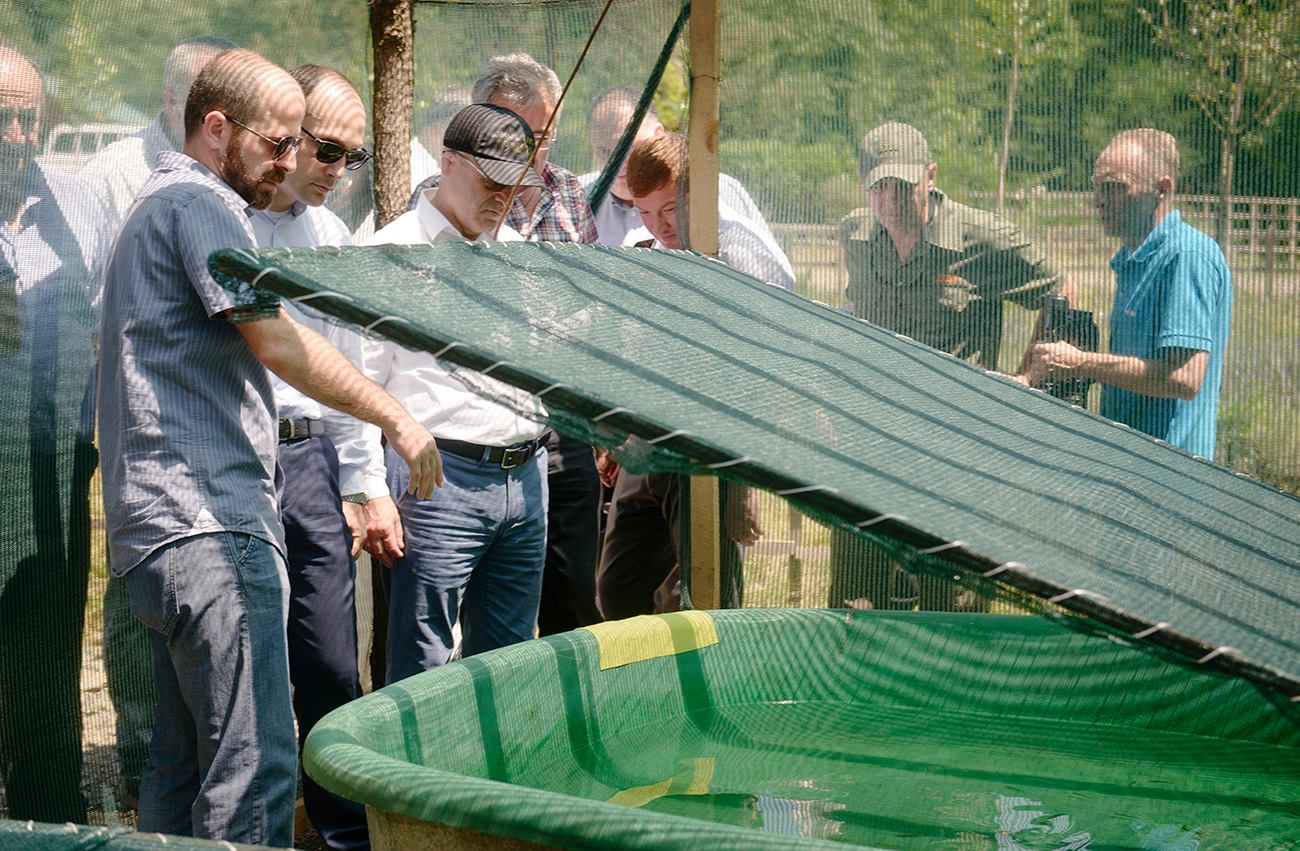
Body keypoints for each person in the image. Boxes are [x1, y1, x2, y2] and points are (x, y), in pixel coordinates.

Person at [96, 48, 441, 846]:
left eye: (299, 144)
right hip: (211, 529)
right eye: (278, 143)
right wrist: (393, 415)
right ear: (216, 128)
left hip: (158, 532)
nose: (290, 162)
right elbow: (279, 342)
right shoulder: (201, 204)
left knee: (182, 767)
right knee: (254, 769)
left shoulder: (158, 202)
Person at [78, 34, 236, 807]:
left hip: (213, 421)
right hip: (139, 418)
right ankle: (141, 751)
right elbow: (91, 304)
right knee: (138, 588)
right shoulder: (114, 175)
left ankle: (188, 755)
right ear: (177, 103)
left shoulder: (226, 179)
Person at [829, 121, 1066, 611]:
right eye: (878, 187)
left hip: (955, 455)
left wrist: (1026, 377)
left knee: (951, 609)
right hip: (871, 447)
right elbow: (856, 309)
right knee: (856, 604)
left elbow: (1060, 291)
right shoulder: (855, 235)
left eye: (903, 185)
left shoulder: (982, 238)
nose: (890, 200)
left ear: (931, 176)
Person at [408, 55, 603, 636]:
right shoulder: (438, 202)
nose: (532, 152)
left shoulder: (568, 191)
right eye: (519, 134)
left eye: (543, 136)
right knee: (451, 620)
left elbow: (592, 300)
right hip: (465, 442)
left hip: (559, 422)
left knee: (572, 593)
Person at [362, 103, 550, 681]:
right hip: (437, 481)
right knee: (424, 669)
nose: (503, 198)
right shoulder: (389, 254)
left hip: (527, 476)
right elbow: (357, 385)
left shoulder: (519, 254)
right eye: (491, 181)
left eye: (514, 186)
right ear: (447, 163)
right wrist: (368, 489)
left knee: (509, 667)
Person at [246, 63, 373, 851]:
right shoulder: (222, 217)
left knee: (330, 658)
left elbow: (348, 369)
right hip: (237, 458)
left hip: (312, 458)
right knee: (250, 659)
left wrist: (363, 483)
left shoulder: (330, 238)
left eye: (353, 157)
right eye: (329, 151)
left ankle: (343, 830)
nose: (340, 172)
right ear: (285, 136)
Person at [596, 132, 782, 619]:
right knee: (617, 593)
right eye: (643, 211)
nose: (658, 225)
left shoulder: (742, 258)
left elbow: (761, 370)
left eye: (669, 209)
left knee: (704, 595)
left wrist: (741, 481)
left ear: (695, 193)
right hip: (646, 444)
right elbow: (629, 347)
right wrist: (617, 431)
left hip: (709, 450)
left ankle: (719, 670)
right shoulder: (643, 248)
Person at [0, 42, 112, 825]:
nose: (17, 135)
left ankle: (48, 819)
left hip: (56, 470)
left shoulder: (80, 203)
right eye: (1, 119)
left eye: (28, 118)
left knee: (46, 654)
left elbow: (111, 330)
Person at [1024, 129, 1231, 460]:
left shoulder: (1187, 256)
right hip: (1130, 456)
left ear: (1162, 189)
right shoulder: (1130, 259)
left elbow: (1184, 378)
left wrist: (1081, 362)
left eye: (1114, 187)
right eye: (1096, 187)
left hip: (1172, 467)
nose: (1097, 201)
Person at [579, 86, 775, 249]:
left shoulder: (716, 191)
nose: (617, 164)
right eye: (604, 151)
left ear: (659, 135)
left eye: (628, 148)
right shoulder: (574, 200)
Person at [80, 36, 236, 232]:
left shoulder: (249, 169)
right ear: (171, 102)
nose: (224, 119)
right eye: (210, 104)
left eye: (239, 104)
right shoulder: (111, 175)